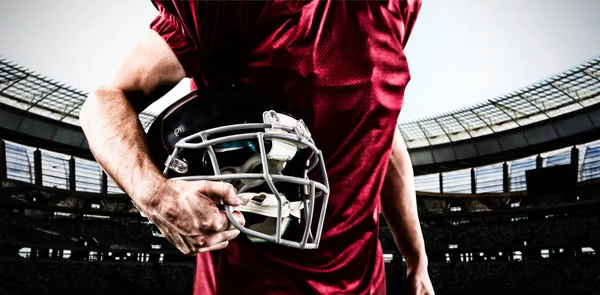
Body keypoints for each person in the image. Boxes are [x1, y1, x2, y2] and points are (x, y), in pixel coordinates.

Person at [79, 0, 434, 294]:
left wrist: (417, 260)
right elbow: (106, 100)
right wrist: (157, 196)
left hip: (364, 282)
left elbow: (377, 127)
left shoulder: (398, 7)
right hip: (249, 281)